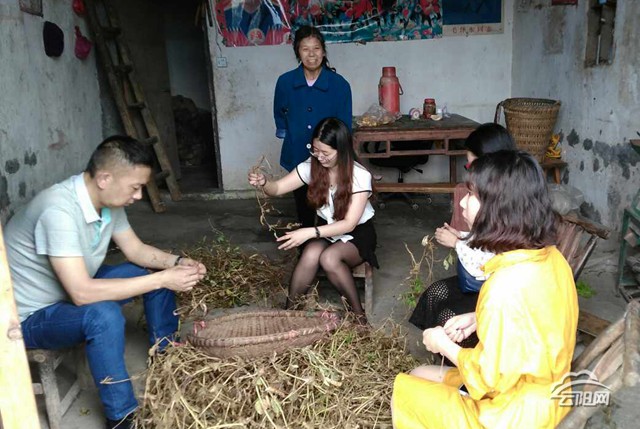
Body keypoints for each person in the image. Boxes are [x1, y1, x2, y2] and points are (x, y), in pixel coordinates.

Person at [5, 136, 207, 429]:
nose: (138, 195)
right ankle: (121, 417)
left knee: (151, 272)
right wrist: (163, 278)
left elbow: (136, 251)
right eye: (135, 187)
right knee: (103, 315)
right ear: (104, 179)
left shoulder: (107, 202)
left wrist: (176, 263)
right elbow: (82, 293)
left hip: (69, 291)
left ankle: (167, 356)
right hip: (28, 317)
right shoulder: (57, 211)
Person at [392, 150, 578, 429]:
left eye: (472, 195)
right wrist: (478, 318)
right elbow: (534, 319)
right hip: (547, 396)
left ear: (497, 208)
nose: (462, 203)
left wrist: (443, 344)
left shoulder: (503, 287)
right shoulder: (551, 257)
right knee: (419, 373)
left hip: (510, 415)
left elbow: (487, 380)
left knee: (404, 393)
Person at [249, 117, 377, 324]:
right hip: (329, 231)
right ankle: (289, 315)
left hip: (358, 234)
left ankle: (359, 318)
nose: (319, 157)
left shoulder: (359, 175)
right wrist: (264, 183)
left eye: (326, 153)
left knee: (329, 258)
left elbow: (349, 224)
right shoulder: (311, 166)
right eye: (315, 150)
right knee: (310, 252)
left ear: (342, 150)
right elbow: (278, 188)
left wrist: (309, 232)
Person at [408, 123, 516, 345]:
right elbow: (487, 240)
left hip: (495, 290)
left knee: (449, 318)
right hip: (486, 284)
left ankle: (452, 357)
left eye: (472, 164)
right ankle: (436, 348)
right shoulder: (495, 194)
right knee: (435, 292)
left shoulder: (510, 206)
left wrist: (457, 243)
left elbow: (493, 261)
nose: (463, 202)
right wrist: (463, 236)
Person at [274, 25, 352, 228]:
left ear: (323, 51)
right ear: (297, 53)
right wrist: (288, 133)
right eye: (305, 49)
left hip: (329, 154)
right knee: (303, 202)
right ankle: (307, 236)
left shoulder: (339, 85)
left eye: (316, 48)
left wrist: (338, 152)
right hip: (297, 150)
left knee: (331, 201)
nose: (311, 54)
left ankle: (331, 238)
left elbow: (344, 124)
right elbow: (279, 112)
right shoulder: (285, 82)